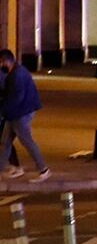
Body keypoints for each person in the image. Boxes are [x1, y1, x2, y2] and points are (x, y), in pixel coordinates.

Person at [0, 49, 51, 182]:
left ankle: (44, 170)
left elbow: (17, 98)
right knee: (5, 143)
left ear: (5, 62)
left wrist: (3, 111)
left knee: (27, 142)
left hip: (21, 114)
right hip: (16, 113)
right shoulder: (17, 71)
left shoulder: (17, 75)